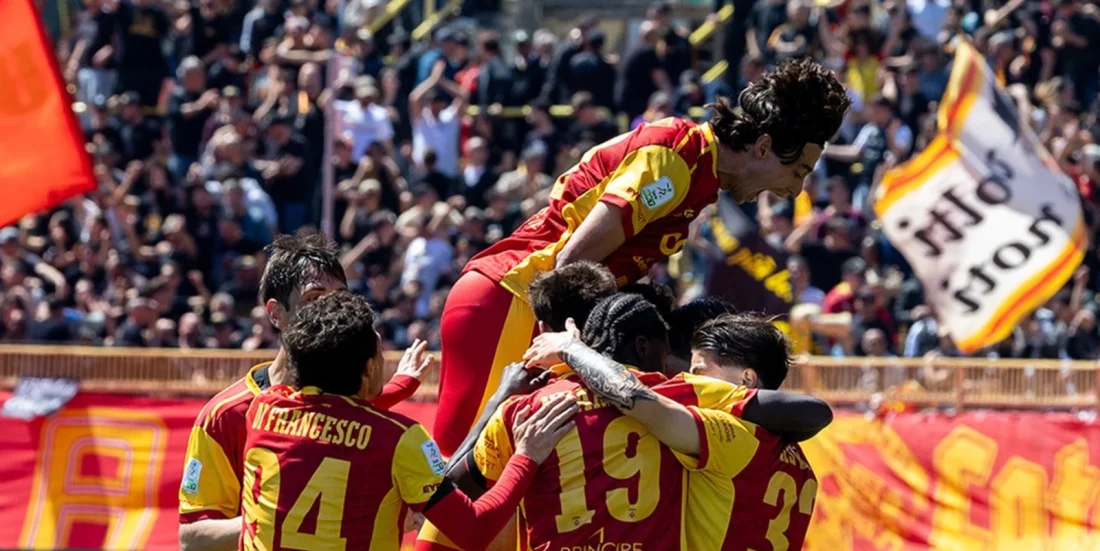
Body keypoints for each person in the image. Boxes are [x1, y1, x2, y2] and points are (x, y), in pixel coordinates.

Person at [433, 57, 852, 456]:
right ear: (762, 147)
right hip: (508, 300)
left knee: (489, 478)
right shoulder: (676, 160)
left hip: (520, 305)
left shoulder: (697, 173)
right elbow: (571, 264)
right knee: (461, 476)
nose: (795, 190)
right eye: (798, 171)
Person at [242, 290, 576, 550]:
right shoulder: (398, 437)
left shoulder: (263, 408)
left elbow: (327, 414)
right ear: (368, 369)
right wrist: (526, 455)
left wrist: (399, 386)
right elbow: (474, 529)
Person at [178, 230, 427, 551]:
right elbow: (192, 539)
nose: (331, 309)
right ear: (275, 313)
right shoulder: (226, 415)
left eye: (340, 297)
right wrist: (281, 516)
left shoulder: (358, 401)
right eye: (313, 298)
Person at [536, 312, 827, 550]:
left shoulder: (729, 436)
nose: (687, 379)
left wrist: (571, 349)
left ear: (746, 379)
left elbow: (634, 398)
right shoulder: (800, 460)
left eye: (699, 372)